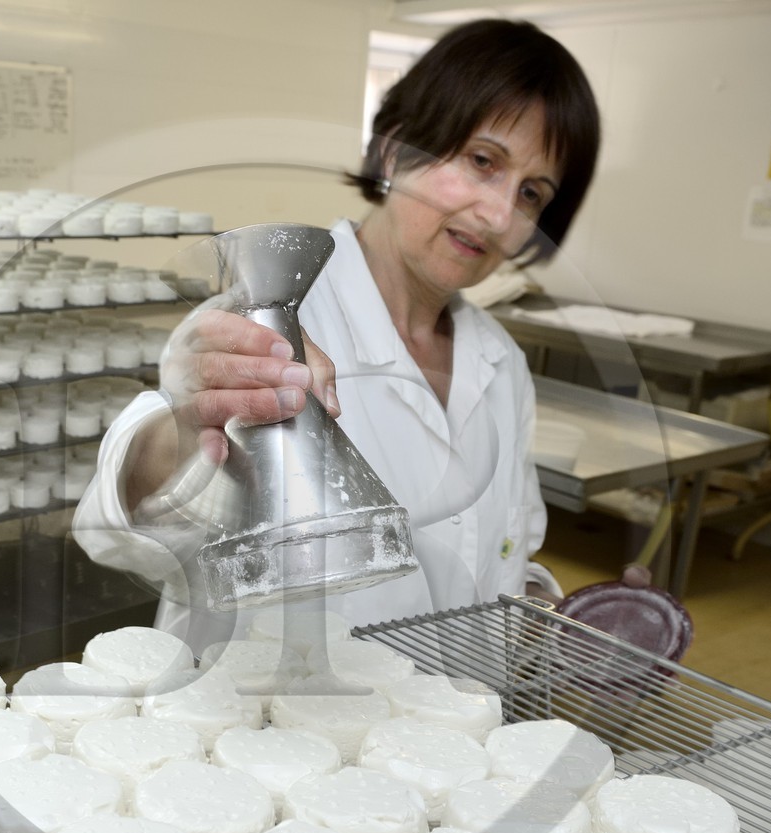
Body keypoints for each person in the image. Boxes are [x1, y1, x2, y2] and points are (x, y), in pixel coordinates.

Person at [74, 19, 601, 651]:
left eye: (531, 194)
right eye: (482, 161)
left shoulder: (501, 363)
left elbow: (501, 557)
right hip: (271, 731)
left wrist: (560, 620)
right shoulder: (264, 322)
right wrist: (181, 435)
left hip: (450, 735)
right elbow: (128, 531)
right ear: (394, 150)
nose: (497, 214)